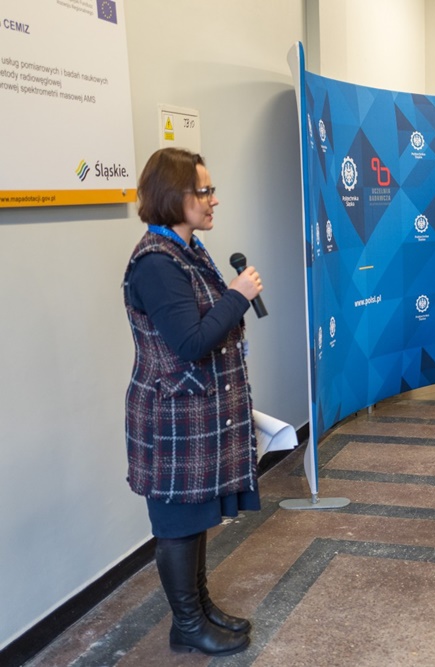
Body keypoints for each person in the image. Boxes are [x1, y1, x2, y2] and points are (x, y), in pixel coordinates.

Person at [123, 148, 264, 656]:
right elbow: (190, 342)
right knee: (178, 526)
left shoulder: (187, 249)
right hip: (171, 420)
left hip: (193, 414)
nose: (213, 200)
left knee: (195, 518)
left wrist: (232, 298)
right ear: (173, 196)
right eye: (204, 191)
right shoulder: (155, 264)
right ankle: (187, 625)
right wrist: (238, 295)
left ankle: (200, 609)